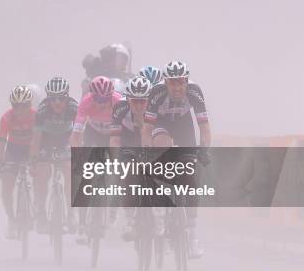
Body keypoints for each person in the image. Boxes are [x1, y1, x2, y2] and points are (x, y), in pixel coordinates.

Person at [141, 60, 212, 258]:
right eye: (172, 82)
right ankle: (161, 209)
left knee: (190, 175)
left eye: (180, 82)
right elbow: (146, 130)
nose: (177, 87)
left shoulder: (195, 92)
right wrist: (147, 150)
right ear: (165, 82)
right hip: (161, 123)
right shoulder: (156, 93)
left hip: (183, 123)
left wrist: (203, 150)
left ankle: (192, 233)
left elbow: (205, 129)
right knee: (161, 147)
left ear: (186, 81)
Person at [70, 76, 122, 242]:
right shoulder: (85, 102)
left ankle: (113, 208)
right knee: (86, 173)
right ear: (92, 95)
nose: (100, 102)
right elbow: (76, 134)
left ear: (111, 95)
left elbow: (127, 129)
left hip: (113, 134)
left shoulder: (118, 101)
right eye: (97, 98)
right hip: (93, 133)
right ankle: (82, 223)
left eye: (104, 98)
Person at [109, 76, 156, 241]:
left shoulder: (155, 107)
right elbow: (114, 139)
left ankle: (162, 216)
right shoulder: (120, 108)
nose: (138, 106)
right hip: (129, 138)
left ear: (148, 100)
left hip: (151, 136)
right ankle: (129, 221)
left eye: (142, 102)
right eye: (134, 101)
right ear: (127, 99)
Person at [29, 77, 78, 234]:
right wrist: (33, 160)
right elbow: (36, 138)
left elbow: (79, 134)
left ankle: (71, 212)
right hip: (46, 141)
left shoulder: (73, 108)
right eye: (52, 98)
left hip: (65, 139)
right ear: (47, 98)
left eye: (61, 98)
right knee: (42, 174)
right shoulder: (42, 110)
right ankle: (41, 212)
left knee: (70, 171)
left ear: (67, 96)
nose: (57, 102)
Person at [0, 85, 36, 239]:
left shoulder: (36, 116)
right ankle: (12, 220)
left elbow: (40, 140)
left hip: (31, 150)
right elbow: (1, 143)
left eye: (23, 106)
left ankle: (37, 210)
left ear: (29, 105)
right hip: (13, 151)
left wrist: (37, 159)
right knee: (6, 189)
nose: (19, 110)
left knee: (41, 175)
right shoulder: (6, 118)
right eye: (16, 106)